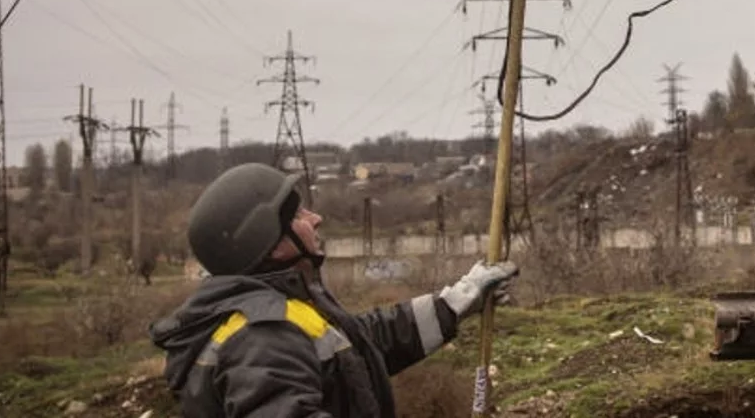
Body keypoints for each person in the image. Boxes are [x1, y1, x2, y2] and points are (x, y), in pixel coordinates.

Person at [151, 163, 518, 417]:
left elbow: (362, 343)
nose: (315, 219)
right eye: (297, 215)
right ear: (268, 240)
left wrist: (455, 304)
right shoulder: (261, 335)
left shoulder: (284, 311)